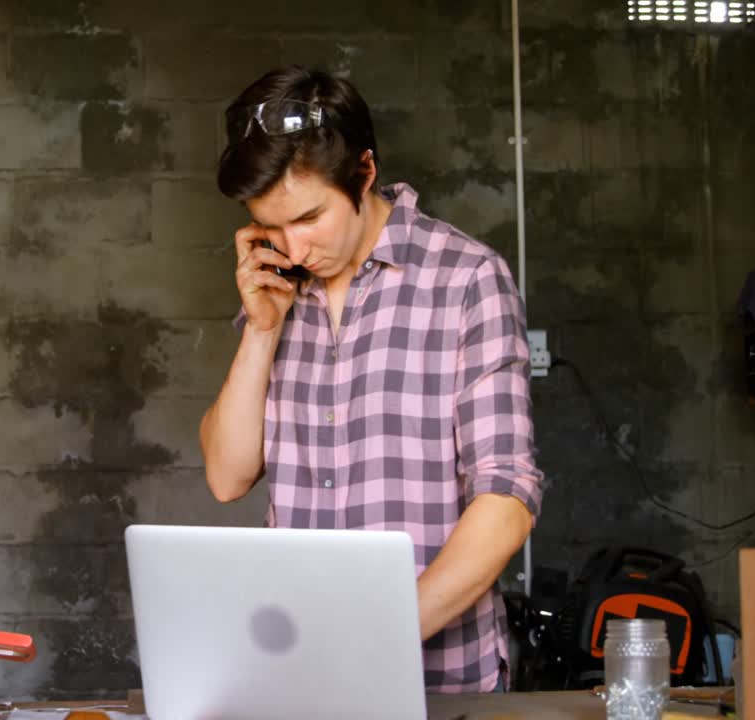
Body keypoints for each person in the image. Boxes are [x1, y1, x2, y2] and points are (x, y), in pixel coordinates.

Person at [198, 66, 545, 693]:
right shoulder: (279, 291)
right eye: (271, 228)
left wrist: (377, 634)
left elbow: (507, 498)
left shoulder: (466, 280)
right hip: (298, 674)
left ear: (364, 173)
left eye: (308, 218)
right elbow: (226, 477)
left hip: (437, 680)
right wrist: (260, 329)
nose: (293, 249)